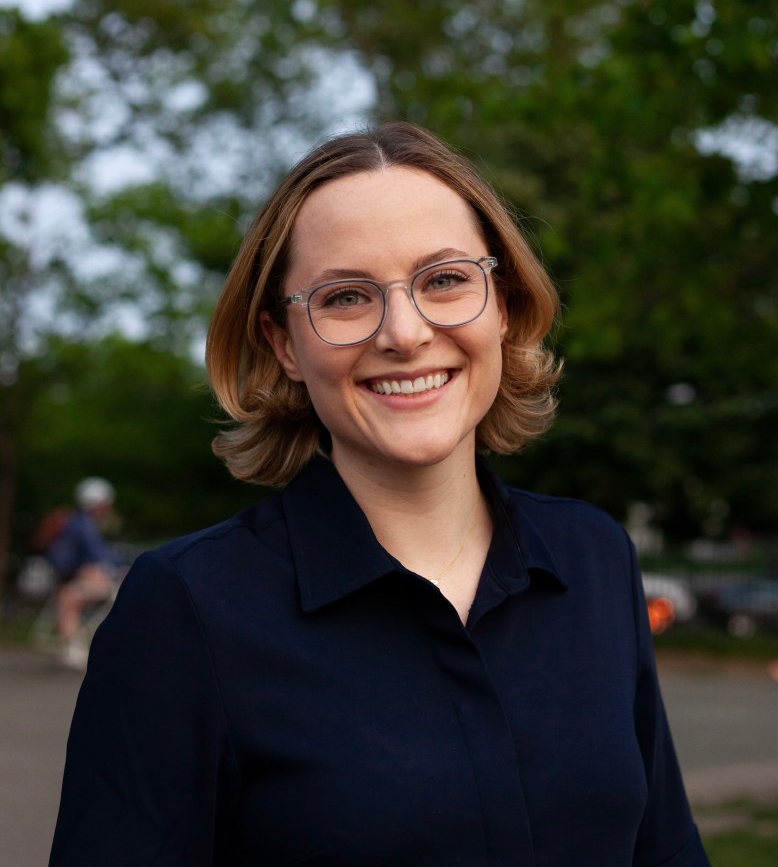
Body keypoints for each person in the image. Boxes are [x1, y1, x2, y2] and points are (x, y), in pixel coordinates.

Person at [50, 123, 711, 866]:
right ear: (283, 344)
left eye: (445, 280)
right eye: (345, 297)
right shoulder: (186, 610)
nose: (405, 332)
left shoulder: (593, 558)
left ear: (502, 305)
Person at [41, 477, 118, 669]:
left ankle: (74, 644)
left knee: (68, 599)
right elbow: (100, 557)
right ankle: (74, 644)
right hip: (89, 579)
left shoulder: (79, 523)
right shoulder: (83, 526)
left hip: (80, 579)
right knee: (69, 599)